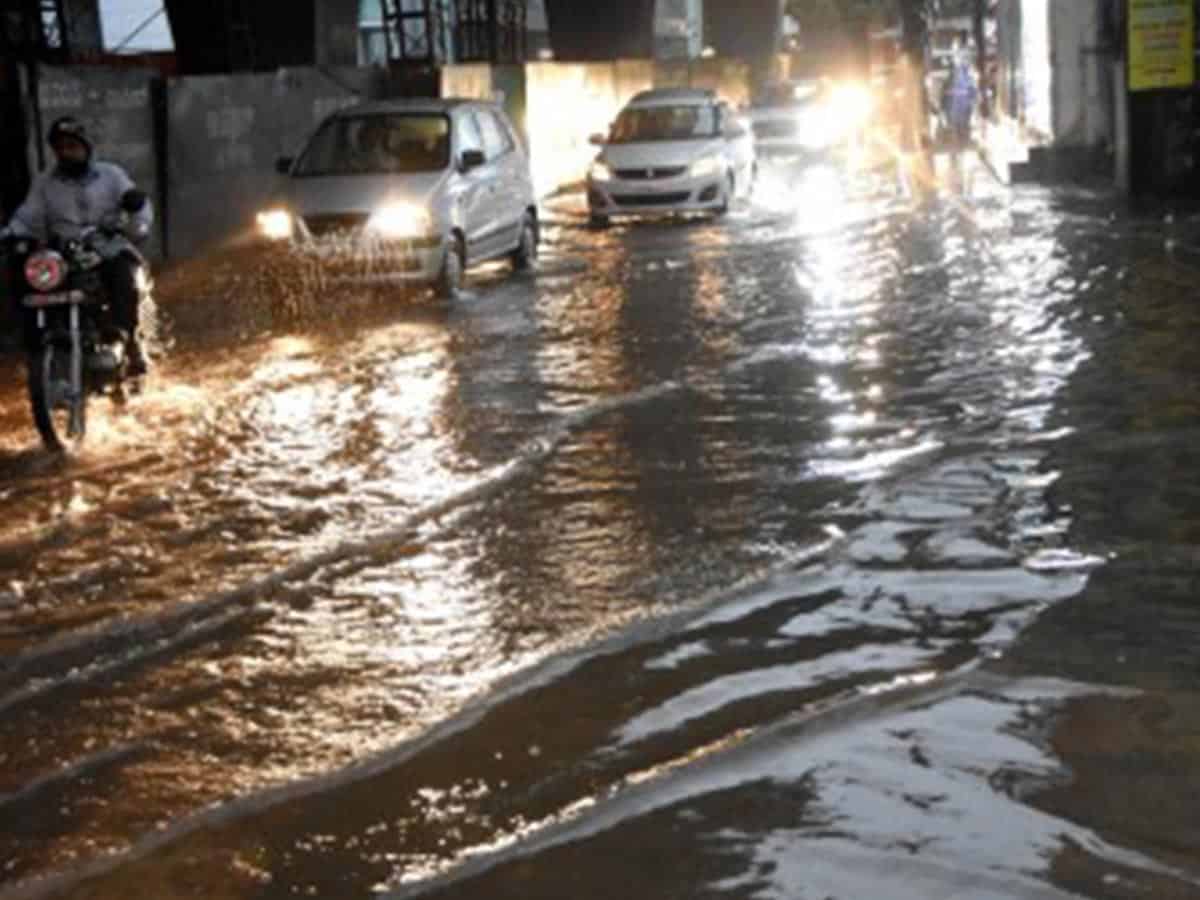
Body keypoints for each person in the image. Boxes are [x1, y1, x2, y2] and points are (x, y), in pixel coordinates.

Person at [1, 116, 154, 374]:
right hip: (64, 253)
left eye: (72, 146)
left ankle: (127, 341)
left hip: (107, 246)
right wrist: (10, 233)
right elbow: (28, 217)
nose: (66, 152)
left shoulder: (111, 175)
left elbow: (139, 208)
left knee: (124, 274)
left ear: (86, 146)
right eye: (60, 147)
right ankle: (37, 343)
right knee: (32, 278)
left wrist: (137, 219)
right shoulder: (45, 183)